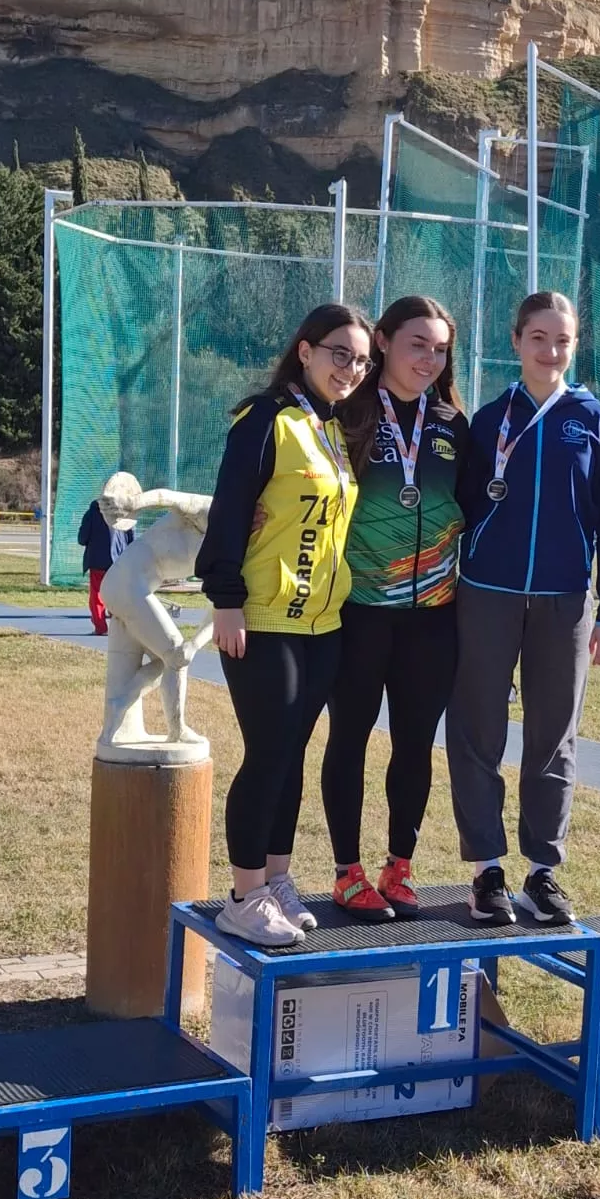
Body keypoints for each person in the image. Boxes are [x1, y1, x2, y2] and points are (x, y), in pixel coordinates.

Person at [446, 290, 600, 927]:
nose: (550, 351)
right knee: (477, 731)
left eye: (562, 340)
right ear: (516, 341)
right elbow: (463, 508)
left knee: (555, 737)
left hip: (563, 602)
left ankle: (542, 871)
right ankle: (486, 872)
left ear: (573, 346)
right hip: (486, 595)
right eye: (538, 338)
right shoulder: (487, 420)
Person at [196, 303, 372, 947]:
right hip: (264, 619)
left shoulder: (329, 428)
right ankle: (243, 897)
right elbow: (231, 509)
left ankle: (275, 879)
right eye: (339, 354)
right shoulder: (265, 421)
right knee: (268, 755)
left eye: (360, 360)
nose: (350, 369)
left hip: (321, 626)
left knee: (290, 759)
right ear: (305, 351)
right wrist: (226, 598)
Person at [320, 295, 470, 922]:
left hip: (434, 616)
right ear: (381, 341)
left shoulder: (453, 424)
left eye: (439, 349)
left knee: (415, 745)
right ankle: (348, 871)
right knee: (349, 738)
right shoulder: (345, 415)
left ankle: (400, 867)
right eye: (417, 344)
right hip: (360, 611)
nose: (429, 359)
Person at [77, 496, 134, 635]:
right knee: (118, 594)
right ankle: (120, 627)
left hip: (97, 560)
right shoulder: (124, 513)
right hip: (118, 560)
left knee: (97, 595)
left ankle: (101, 627)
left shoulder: (92, 512)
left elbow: (82, 538)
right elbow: (131, 537)